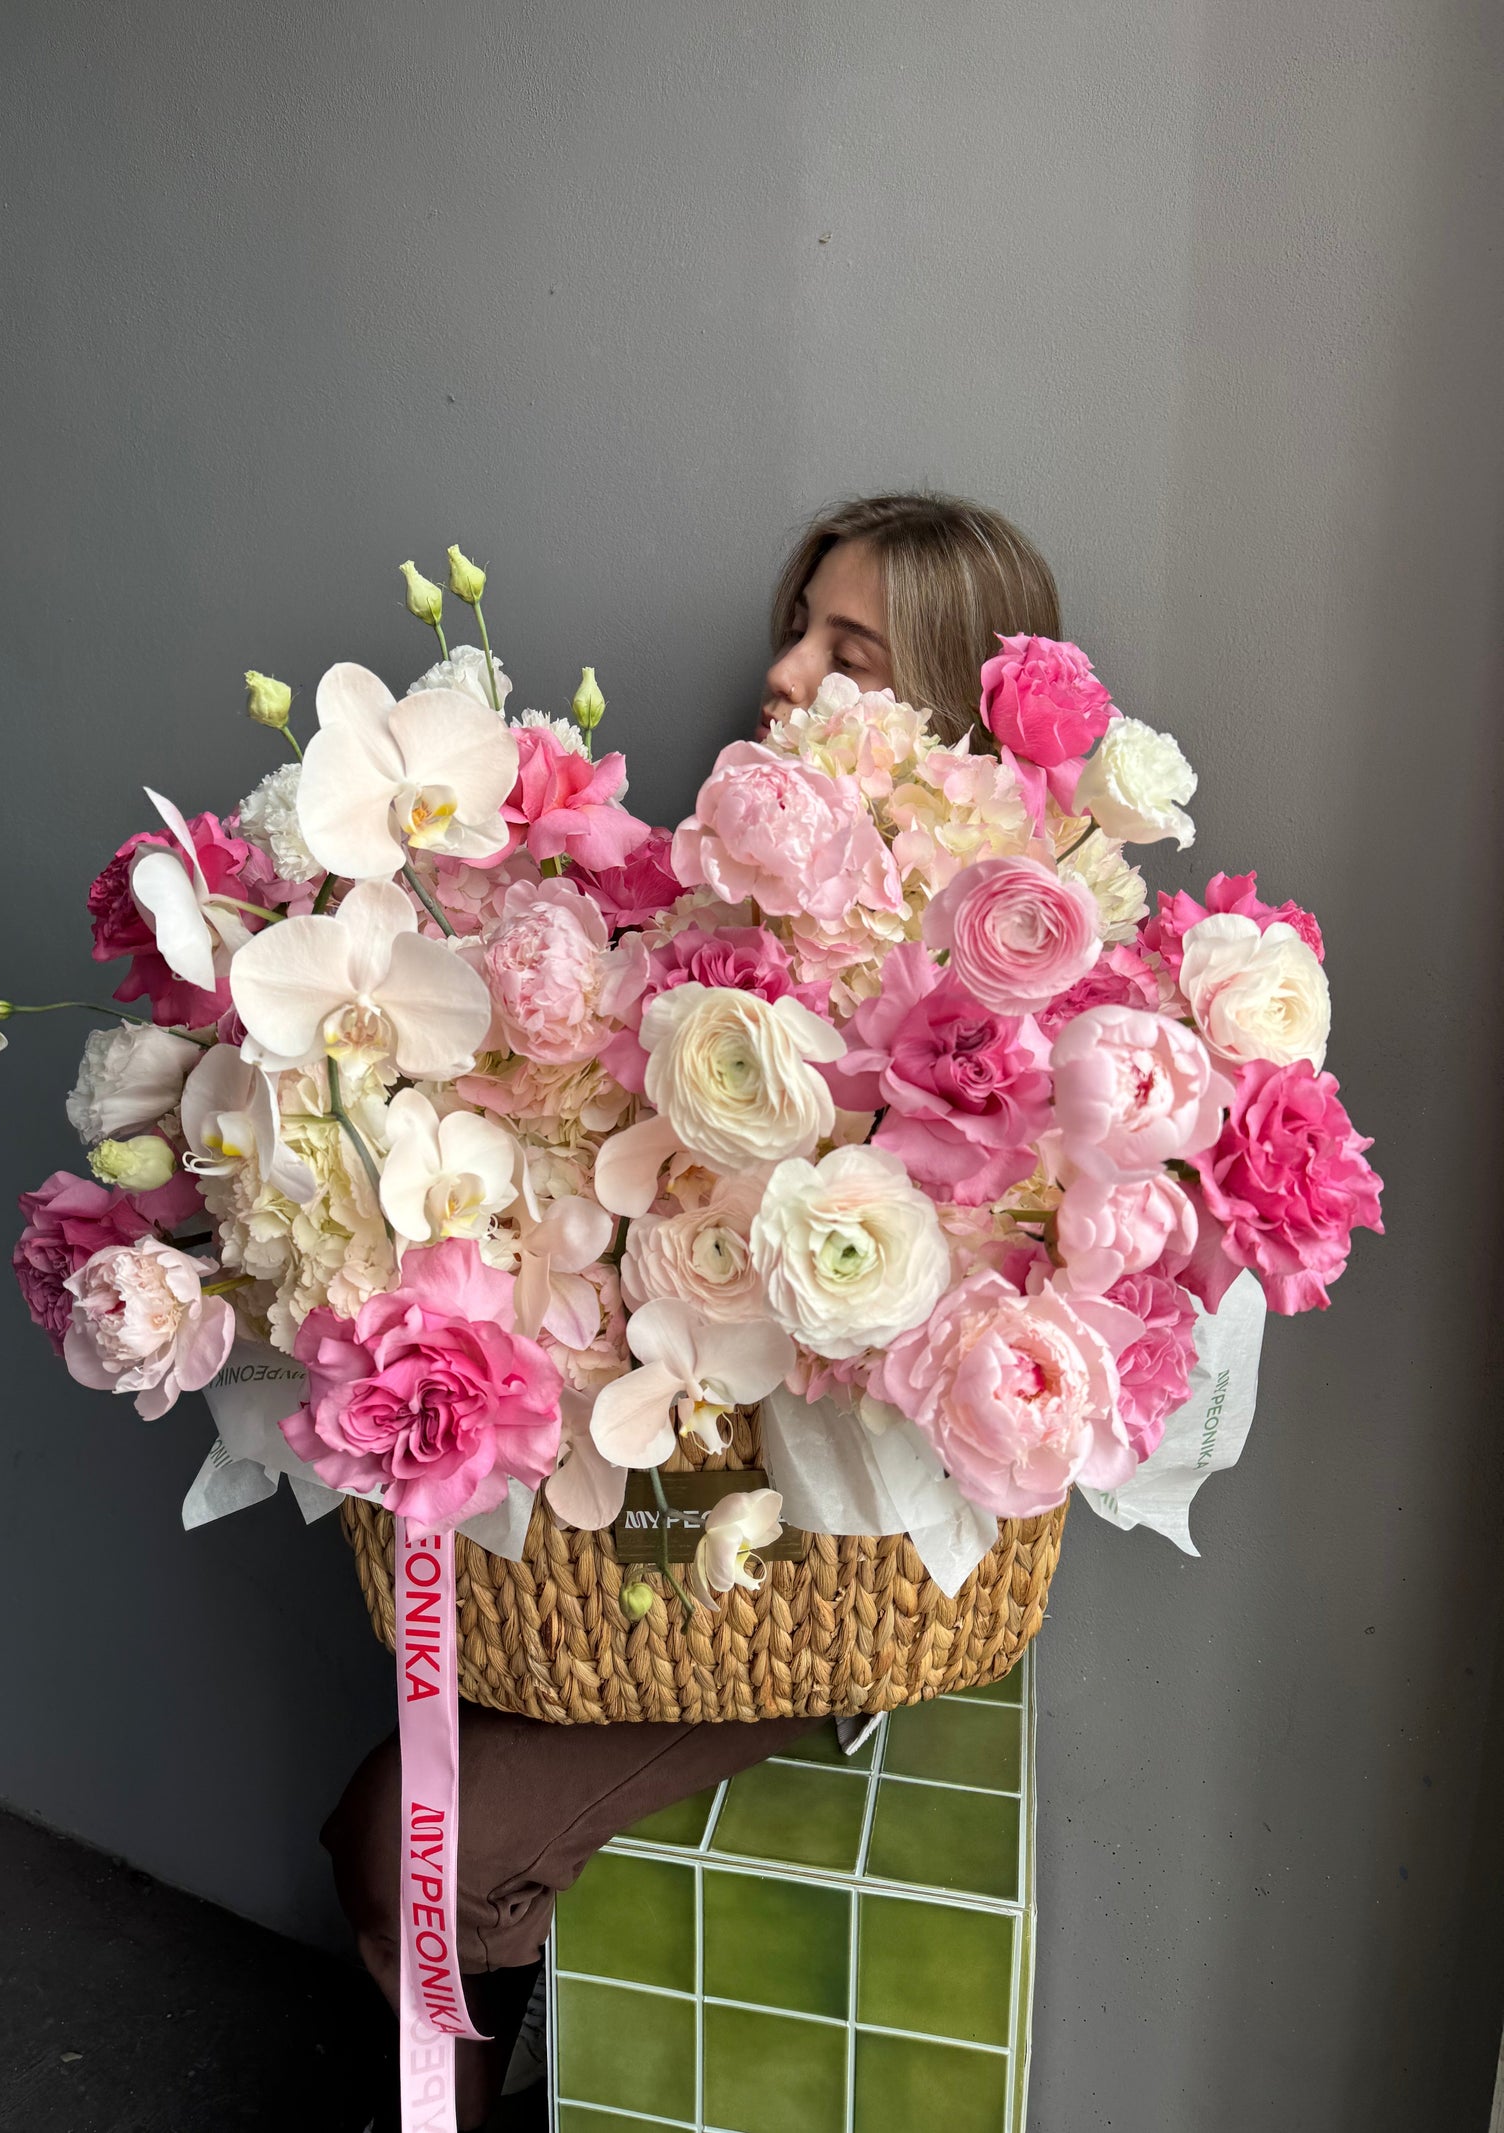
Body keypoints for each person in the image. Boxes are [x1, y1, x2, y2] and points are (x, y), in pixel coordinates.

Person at [322, 488, 1061, 2132]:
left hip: (802, 1586)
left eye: (849, 652)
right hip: (643, 1529)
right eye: (797, 630)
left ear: (950, 706)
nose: (786, 673)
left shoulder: (986, 992)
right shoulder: (713, 907)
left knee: (400, 1840)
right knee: (402, 1801)